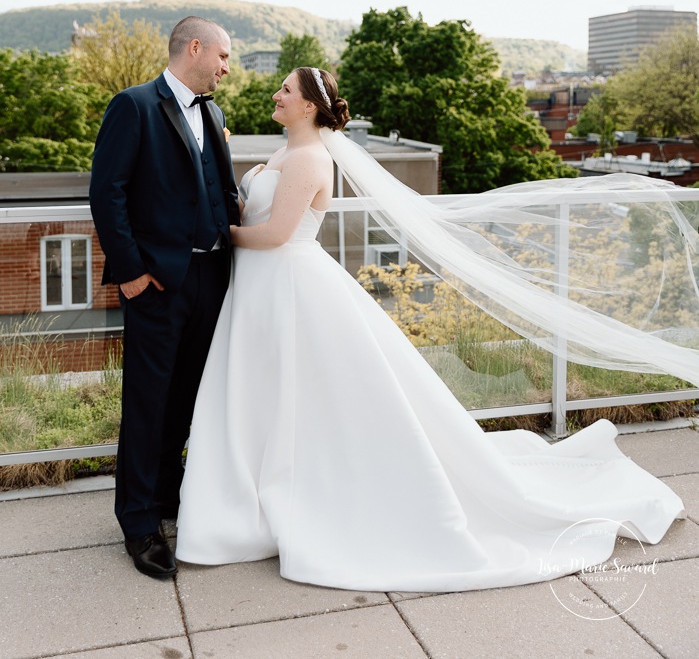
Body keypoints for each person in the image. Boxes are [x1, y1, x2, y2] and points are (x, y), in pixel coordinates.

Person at [174, 67, 692, 592]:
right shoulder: (286, 153)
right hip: (262, 291)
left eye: (286, 90)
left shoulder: (310, 158)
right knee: (270, 394)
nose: (276, 95)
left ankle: (298, 491)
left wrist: (217, 239)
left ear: (309, 106)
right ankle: (258, 493)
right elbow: (253, 211)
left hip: (289, 286)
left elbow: (278, 233)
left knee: (305, 396)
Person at [90, 15, 239, 580]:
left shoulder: (215, 112)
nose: (227, 67)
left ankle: (168, 493)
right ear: (195, 48)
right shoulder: (133, 105)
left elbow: (220, 192)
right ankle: (138, 521)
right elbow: (108, 193)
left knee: (186, 399)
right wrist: (130, 274)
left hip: (210, 279)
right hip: (154, 285)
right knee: (148, 402)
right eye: (223, 56)